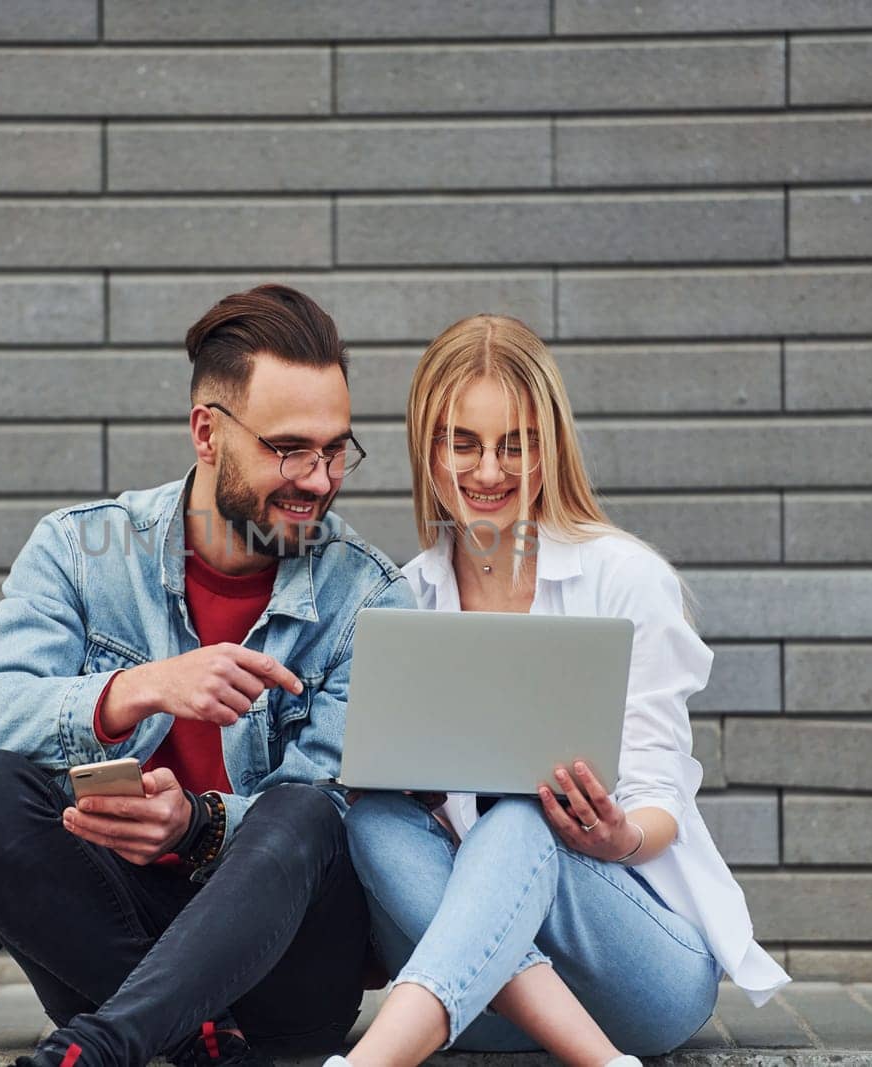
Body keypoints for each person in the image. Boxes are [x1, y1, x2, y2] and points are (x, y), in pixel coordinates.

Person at [0, 284, 414, 1067]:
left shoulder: (365, 595)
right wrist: (140, 688)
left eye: (335, 450)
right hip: (111, 943)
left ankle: (110, 1041)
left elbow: (332, 808)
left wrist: (197, 824)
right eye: (290, 448)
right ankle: (190, 1041)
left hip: (280, 970)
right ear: (207, 431)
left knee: (307, 813)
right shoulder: (80, 551)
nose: (321, 479)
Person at [329, 315, 790, 1067]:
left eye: (516, 443)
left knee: (524, 809)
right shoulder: (403, 598)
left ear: (550, 446)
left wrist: (618, 836)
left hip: (639, 973)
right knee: (374, 815)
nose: (487, 472)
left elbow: (660, 790)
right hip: (485, 996)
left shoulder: (623, 577)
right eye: (464, 443)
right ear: (427, 446)